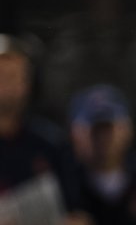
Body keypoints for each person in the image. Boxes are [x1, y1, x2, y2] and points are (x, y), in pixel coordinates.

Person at [0, 34, 88, 225]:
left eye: (13, 76)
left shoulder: (52, 144)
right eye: (1, 75)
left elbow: (79, 214)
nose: (6, 85)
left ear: (28, 83)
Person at [68, 84, 136, 225]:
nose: (103, 138)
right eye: (96, 130)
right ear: (77, 134)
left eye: (109, 129)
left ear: (127, 130)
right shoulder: (65, 182)